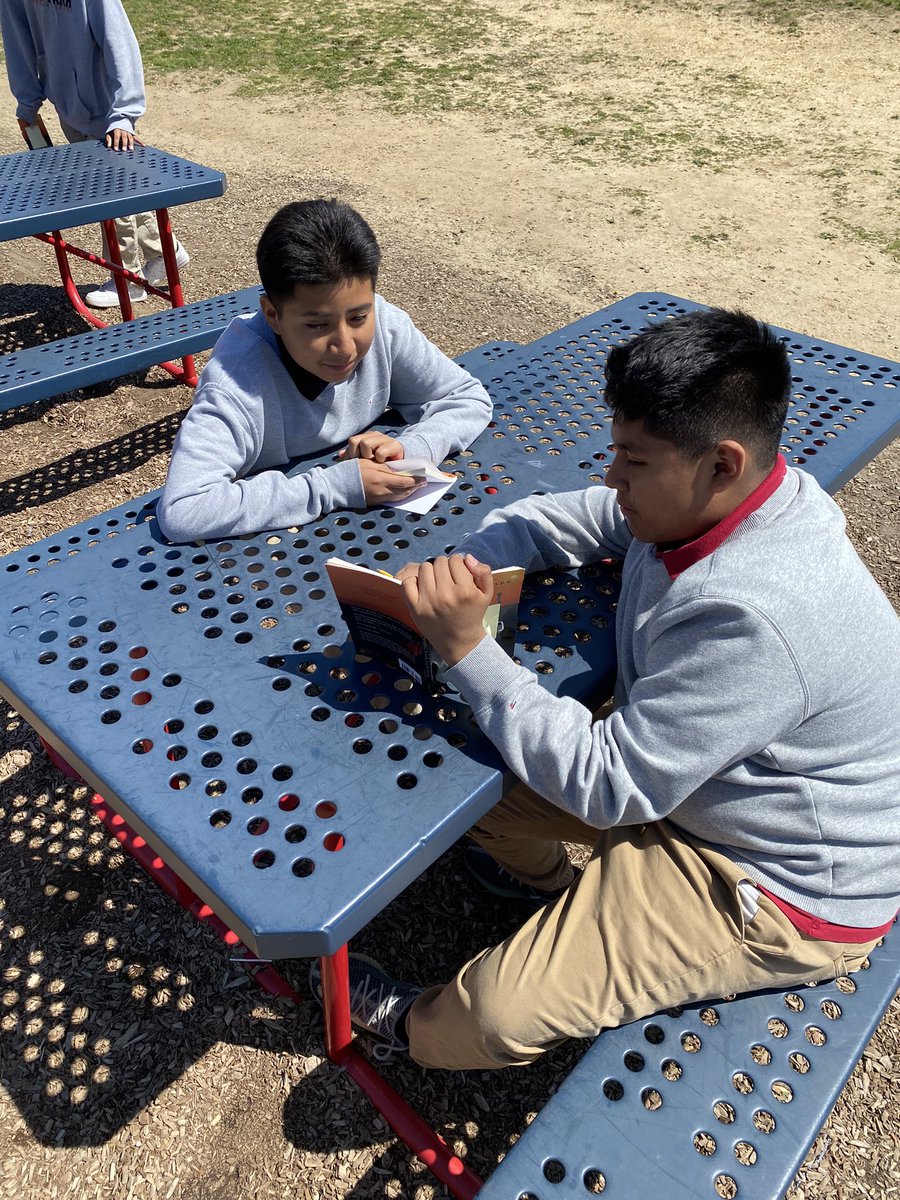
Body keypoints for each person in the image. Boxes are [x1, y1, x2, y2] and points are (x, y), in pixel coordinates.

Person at [310, 307, 900, 1070]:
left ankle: (406, 1028)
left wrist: (465, 645)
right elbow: (582, 517)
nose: (612, 475)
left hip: (774, 880)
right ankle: (549, 889)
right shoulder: (731, 502)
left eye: (635, 460)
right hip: (704, 790)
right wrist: (478, 565)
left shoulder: (753, 613)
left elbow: (608, 783)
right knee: (465, 781)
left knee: (486, 1017)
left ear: (722, 463)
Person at [156, 199, 493, 542]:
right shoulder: (237, 382)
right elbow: (185, 510)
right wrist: (335, 485)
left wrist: (412, 447)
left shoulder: (386, 325)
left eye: (358, 318)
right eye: (318, 325)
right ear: (273, 315)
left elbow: (467, 397)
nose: (345, 346)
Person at [0, 0, 189, 308]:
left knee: (111, 192)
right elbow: (17, 39)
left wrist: (123, 114)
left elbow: (119, 41)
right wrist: (27, 102)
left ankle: (127, 279)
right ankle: (164, 252)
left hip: (105, 104)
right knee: (114, 188)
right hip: (69, 104)